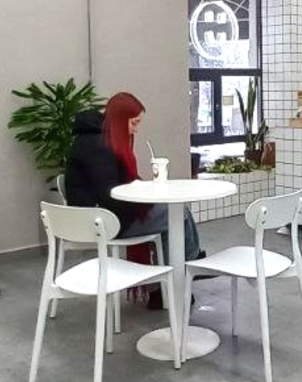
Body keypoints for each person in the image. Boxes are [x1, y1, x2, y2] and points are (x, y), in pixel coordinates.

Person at [64, 92, 202, 270]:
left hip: (99, 216)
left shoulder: (94, 140)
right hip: (102, 222)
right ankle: (183, 270)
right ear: (120, 119)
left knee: (174, 211)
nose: (136, 130)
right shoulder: (98, 147)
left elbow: (114, 186)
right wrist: (145, 198)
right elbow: (110, 194)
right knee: (177, 213)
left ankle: (178, 268)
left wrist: (143, 194)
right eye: (134, 123)